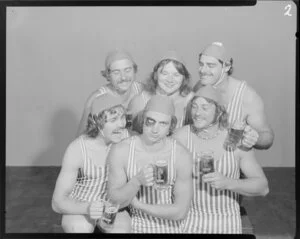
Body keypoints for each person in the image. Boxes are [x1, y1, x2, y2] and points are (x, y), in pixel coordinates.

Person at [173, 85, 269, 234]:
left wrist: (228, 182)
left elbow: (262, 187)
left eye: (205, 107)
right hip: (187, 219)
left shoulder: (236, 139)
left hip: (226, 221)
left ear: (219, 112)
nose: (197, 113)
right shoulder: (181, 137)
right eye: (195, 107)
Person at [107, 95, 193, 233]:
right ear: (142, 120)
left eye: (163, 123)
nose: (155, 129)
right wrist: (136, 181)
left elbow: (180, 212)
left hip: (170, 228)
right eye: (150, 122)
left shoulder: (181, 155)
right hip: (135, 226)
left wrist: (140, 205)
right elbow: (115, 200)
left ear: (171, 125)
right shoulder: (122, 150)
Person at [52, 94, 131, 233]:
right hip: (82, 205)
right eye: (113, 119)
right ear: (96, 122)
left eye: (122, 117)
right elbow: (57, 202)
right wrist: (88, 208)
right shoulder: (77, 148)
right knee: (79, 228)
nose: (121, 124)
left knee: (122, 230)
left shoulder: (125, 138)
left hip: (114, 207)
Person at [193, 42, 274, 150]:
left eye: (210, 65)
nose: (203, 70)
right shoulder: (199, 87)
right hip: (204, 160)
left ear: (226, 67)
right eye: (201, 64)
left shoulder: (247, 96)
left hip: (232, 163)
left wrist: (255, 138)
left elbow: (267, 137)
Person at [76, 49, 144, 137]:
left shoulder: (142, 90)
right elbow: (82, 137)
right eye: (116, 72)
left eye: (127, 70)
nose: (123, 77)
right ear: (108, 75)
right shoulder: (97, 98)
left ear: (134, 70)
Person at [127, 51, 194, 132]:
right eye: (165, 73)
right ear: (155, 75)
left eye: (176, 75)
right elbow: (130, 134)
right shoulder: (140, 101)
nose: (170, 79)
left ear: (184, 78)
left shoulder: (191, 101)